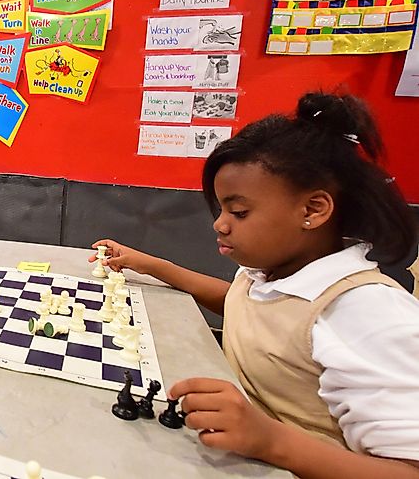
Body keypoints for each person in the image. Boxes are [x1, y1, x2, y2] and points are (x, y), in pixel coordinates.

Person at [90, 92, 419, 478]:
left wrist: (269, 439)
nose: (220, 224)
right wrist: (151, 265)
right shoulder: (271, 272)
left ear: (313, 210)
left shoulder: (366, 313)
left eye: (239, 212)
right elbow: (244, 306)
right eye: (221, 209)